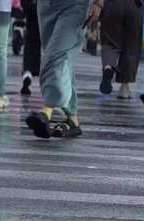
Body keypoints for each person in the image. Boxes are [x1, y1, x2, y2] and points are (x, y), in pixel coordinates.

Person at [25, 0, 101, 139]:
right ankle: (73, 119)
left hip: (75, 6)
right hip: (46, 6)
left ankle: (46, 112)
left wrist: (98, 4)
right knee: (63, 60)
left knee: (54, 57)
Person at [98, 0, 144, 99]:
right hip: (134, 6)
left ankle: (108, 67)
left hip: (112, 5)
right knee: (131, 47)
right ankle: (124, 88)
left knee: (109, 42)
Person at [20, 0, 40, 96]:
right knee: (51, 45)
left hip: (32, 6)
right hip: (49, 8)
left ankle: (27, 72)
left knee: (31, 41)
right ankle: (52, 81)